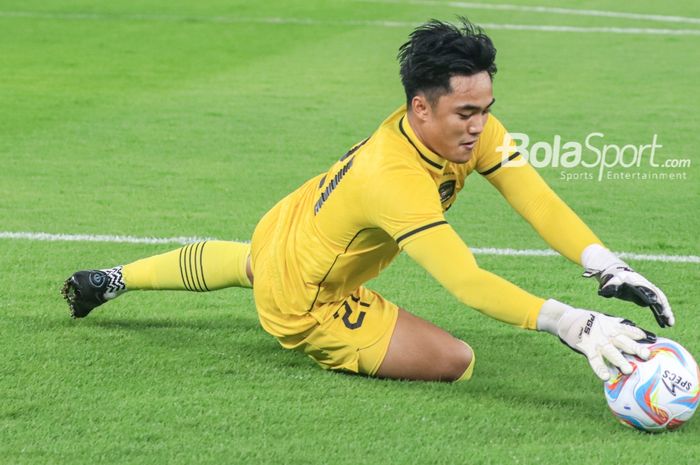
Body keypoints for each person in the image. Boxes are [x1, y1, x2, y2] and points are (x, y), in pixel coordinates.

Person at [62, 18, 673, 383]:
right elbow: (465, 280)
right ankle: (293, 312)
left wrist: (605, 264)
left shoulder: (468, 129)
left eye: (486, 110)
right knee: (454, 361)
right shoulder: (395, 178)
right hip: (310, 298)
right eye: (467, 113)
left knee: (258, 259)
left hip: (294, 222)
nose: (481, 126)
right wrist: (573, 322)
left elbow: (535, 199)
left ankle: (111, 278)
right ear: (420, 108)